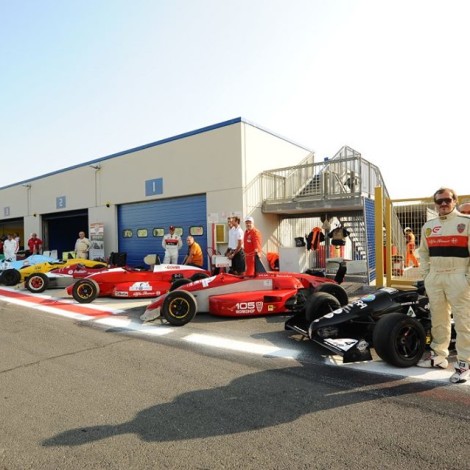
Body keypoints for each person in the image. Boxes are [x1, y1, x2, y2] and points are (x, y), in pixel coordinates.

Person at [417, 187, 470, 384]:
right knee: (438, 319)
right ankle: (438, 356)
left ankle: (464, 363)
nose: (444, 204)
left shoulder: (466, 223)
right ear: (435, 204)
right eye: (439, 202)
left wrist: (467, 279)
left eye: (447, 200)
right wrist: (427, 274)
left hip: (459, 276)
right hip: (435, 277)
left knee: (464, 321)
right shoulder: (428, 226)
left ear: (454, 201)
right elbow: (423, 253)